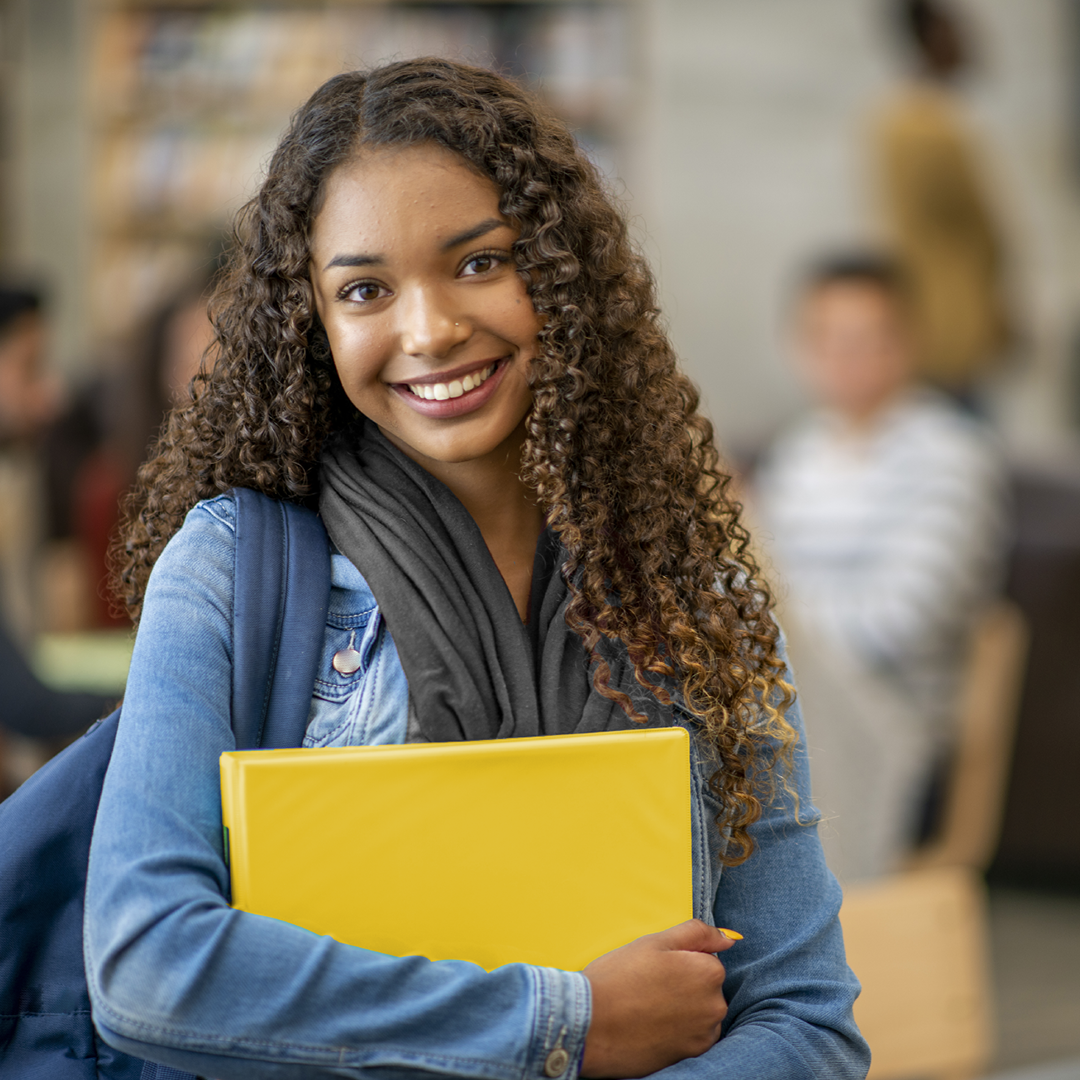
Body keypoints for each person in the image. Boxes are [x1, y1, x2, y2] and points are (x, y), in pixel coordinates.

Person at [85, 59, 869, 1079]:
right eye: (365, 289)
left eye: (477, 262)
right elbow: (146, 964)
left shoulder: (685, 587)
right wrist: (567, 1024)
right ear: (314, 325)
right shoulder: (235, 570)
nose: (429, 329)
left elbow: (804, 1020)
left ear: (558, 271)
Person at [754, 253, 1007, 882]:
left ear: (908, 342)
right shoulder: (799, 454)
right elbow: (757, 588)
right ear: (800, 347)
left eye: (867, 339)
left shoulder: (951, 455)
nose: (848, 357)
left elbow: (902, 621)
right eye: (829, 339)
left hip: (892, 717)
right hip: (789, 695)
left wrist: (785, 639)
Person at [869, 0, 1014, 397]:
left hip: (934, 315)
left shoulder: (899, 119)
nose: (968, 44)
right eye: (955, 32)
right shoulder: (928, 128)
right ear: (931, 39)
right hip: (950, 321)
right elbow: (976, 230)